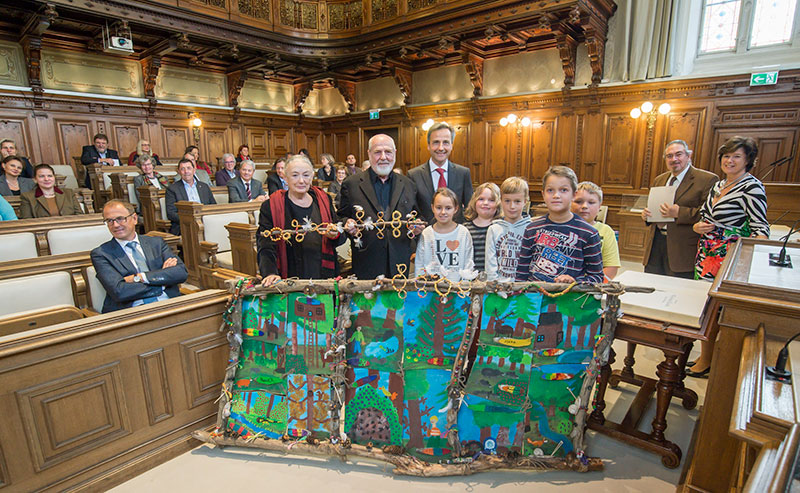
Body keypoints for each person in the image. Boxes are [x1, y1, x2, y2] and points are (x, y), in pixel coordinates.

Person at [687, 136, 770, 378]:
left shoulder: (752, 186)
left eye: (736, 156)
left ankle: (715, 360)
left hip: (730, 255)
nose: (730, 160)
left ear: (748, 160)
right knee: (706, 306)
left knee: (719, 309)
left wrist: (748, 262)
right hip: (707, 252)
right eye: (726, 156)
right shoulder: (718, 185)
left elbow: (760, 227)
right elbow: (704, 217)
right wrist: (696, 227)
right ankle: (706, 355)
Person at [340, 134, 421, 279]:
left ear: (395, 153)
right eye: (377, 152)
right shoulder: (351, 185)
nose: (383, 157)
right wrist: (347, 223)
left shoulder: (409, 184)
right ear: (369, 154)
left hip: (399, 265)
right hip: (366, 263)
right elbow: (341, 217)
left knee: (397, 302)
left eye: (388, 152)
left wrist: (417, 227)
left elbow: (417, 216)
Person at [257, 155, 343, 284]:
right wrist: (270, 273)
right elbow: (265, 244)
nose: (301, 181)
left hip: (324, 275)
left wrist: (335, 234)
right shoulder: (271, 206)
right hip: (290, 277)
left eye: (306, 175)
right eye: (295, 175)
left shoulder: (324, 199)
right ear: (285, 178)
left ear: (312, 176)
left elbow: (339, 236)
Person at [91, 200, 187, 313]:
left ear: (135, 219)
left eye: (120, 219)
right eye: (109, 221)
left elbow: (181, 273)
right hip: (131, 311)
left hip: (169, 304)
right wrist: (162, 282)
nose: (115, 225)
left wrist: (140, 277)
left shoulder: (156, 243)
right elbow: (119, 291)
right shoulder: (101, 254)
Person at [641, 140, 719, 279]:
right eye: (669, 156)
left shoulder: (707, 179)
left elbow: (709, 214)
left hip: (683, 247)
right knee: (651, 285)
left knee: (677, 290)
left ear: (689, 156)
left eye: (678, 154)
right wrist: (647, 215)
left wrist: (679, 213)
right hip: (656, 244)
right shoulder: (660, 180)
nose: (674, 159)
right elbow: (654, 206)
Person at [515, 166, 603, 284]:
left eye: (564, 190)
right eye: (550, 190)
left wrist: (575, 282)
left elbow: (597, 277)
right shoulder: (532, 228)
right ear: (543, 194)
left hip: (568, 298)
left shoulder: (589, 233)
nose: (556, 195)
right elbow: (521, 272)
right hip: (534, 297)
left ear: (574, 194)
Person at [408, 122, 473, 224]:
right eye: (436, 142)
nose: (441, 148)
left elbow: (470, 208)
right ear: (428, 145)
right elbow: (412, 211)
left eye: (446, 142)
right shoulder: (414, 175)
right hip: (426, 235)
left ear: (451, 145)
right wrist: (417, 224)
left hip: (456, 234)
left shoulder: (463, 173)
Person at [414, 188, 474, 281]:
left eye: (448, 208)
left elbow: (468, 263)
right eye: (438, 208)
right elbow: (419, 264)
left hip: (457, 290)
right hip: (431, 290)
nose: (443, 212)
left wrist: (464, 289)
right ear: (432, 207)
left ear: (456, 209)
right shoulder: (427, 233)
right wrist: (421, 286)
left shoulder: (463, 233)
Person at [572, 181, 621, 281]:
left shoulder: (606, 231)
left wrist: (594, 286)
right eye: (578, 202)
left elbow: (611, 267)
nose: (584, 206)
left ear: (599, 206)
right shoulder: (562, 228)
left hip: (592, 286)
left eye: (591, 202)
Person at [486, 177, 531, 281]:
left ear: (525, 201)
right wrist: (495, 285)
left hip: (524, 287)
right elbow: (490, 263)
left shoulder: (531, 228)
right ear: (501, 200)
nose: (512, 206)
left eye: (517, 201)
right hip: (499, 287)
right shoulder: (494, 229)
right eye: (507, 201)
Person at [165, 158, 216, 235]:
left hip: (206, 223)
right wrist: (190, 220)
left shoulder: (204, 186)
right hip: (185, 226)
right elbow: (171, 213)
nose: (186, 172)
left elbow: (213, 206)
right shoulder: (172, 189)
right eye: (183, 169)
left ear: (194, 170)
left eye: (189, 168)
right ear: (179, 172)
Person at [19, 164, 84, 218]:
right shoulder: (27, 197)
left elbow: (79, 215)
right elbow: (27, 221)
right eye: (41, 176)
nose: (46, 179)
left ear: (54, 177)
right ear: (35, 179)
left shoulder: (69, 193)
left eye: (49, 176)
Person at [463, 182, 501, 273]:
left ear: (498, 204)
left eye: (491, 200)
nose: (485, 203)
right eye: (481, 199)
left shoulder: (500, 228)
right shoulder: (465, 228)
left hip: (494, 278)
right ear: (474, 201)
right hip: (471, 278)